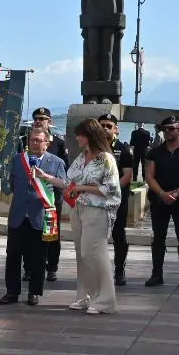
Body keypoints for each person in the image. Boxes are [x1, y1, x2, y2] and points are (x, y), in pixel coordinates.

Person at [1, 125, 66, 306]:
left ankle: (34, 292)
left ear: (47, 143)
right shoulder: (18, 159)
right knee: (13, 254)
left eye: (39, 140)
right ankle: (12, 292)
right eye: (32, 140)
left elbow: (62, 187)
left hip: (41, 215)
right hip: (19, 215)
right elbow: (12, 184)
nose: (35, 143)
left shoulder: (56, 162)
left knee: (38, 257)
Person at [63, 118, 120, 314]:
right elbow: (69, 181)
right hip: (78, 209)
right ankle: (85, 295)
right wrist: (46, 177)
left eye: (79, 135)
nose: (77, 139)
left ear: (88, 136)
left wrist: (82, 188)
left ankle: (106, 300)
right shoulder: (82, 156)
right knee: (81, 254)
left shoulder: (106, 159)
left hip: (97, 211)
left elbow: (111, 189)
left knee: (94, 254)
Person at [144, 116, 179, 288]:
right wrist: (162, 194)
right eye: (164, 128)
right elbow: (149, 176)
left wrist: (175, 194)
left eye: (171, 128)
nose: (167, 131)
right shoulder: (154, 152)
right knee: (158, 238)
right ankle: (157, 275)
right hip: (159, 201)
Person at [20, 108, 70, 281]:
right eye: (36, 118)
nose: (38, 121)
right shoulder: (25, 141)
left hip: (51, 197)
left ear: (50, 122)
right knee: (27, 233)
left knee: (52, 234)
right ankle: (28, 268)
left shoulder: (59, 143)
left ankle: (52, 267)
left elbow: (64, 171)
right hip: (30, 197)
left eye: (43, 118)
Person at [100, 114, 135, 287]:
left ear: (116, 129)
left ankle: (119, 270)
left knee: (118, 235)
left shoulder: (124, 149)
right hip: (96, 200)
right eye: (102, 126)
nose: (105, 129)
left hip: (117, 200)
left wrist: (110, 192)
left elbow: (127, 175)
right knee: (96, 237)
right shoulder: (92, 148)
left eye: (109, 126)